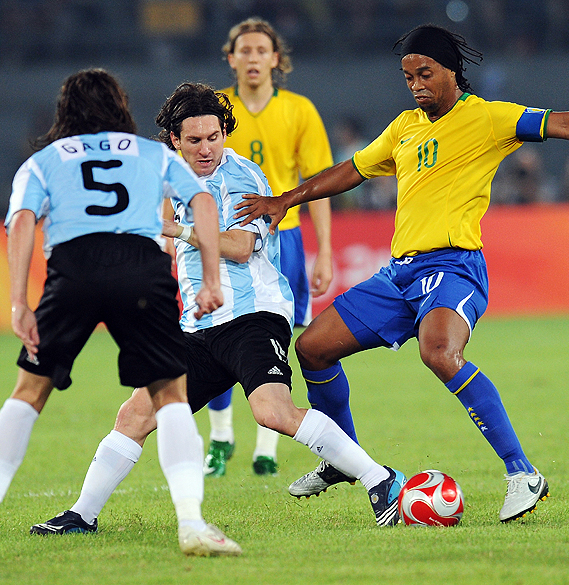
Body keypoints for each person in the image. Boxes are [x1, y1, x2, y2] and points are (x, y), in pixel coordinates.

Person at [235, 24, 569, 523]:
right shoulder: (405, 126)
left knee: (439, 351)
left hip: (453, 264)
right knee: (313, 349)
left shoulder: (488, 119)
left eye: (424, 73)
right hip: (399, 275)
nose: (416, 84)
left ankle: (523, 473)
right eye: (408, 77)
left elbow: (564, 124)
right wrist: (285, 199)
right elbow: (352, 171)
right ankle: (343, 459)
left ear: (451, 70)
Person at [30, 83, 406, 539]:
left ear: (224, 132)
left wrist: (176, 227)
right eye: (194, 140)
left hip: (253, 316)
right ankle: (81, 516)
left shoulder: (243, 178)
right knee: (134, 415)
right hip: (198, 328)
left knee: (273, 413)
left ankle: (380, 480)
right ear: (175, 140)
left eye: (214, 136)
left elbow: (242, 247)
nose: (206, 148)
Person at [0, 69, 236, 556]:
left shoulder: (42, 162)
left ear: (66, 111)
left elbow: (21, 221)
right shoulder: (153, 155)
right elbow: (202, 205)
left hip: (73, 269)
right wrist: (211, 279)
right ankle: (191, 522)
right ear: (120, 107)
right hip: (141, 272)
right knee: (170, 395)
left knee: (29, 392)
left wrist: (20, 302)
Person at [202, 17, 335, 478]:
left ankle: (266, 447)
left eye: (262, 50)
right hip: (224, 236)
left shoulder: (299, 110)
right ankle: (220, 439)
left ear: (276, 59)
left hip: (286, 238)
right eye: (245, 50)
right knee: (212, 330)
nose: (253, 57)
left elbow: (316, 183)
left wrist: (325, 250)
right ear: (231, 57)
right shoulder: (215, 112)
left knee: (274, 336)